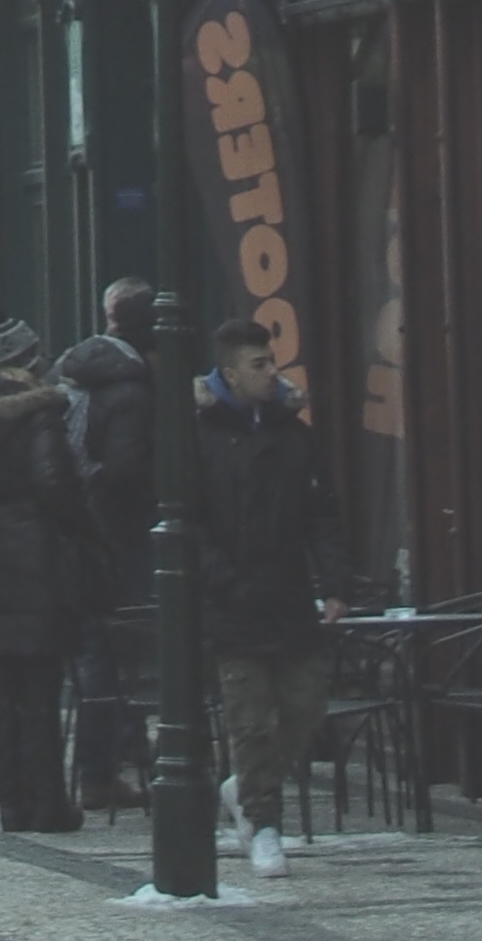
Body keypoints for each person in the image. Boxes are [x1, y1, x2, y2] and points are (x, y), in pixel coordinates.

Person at [197, 318, 347, 879]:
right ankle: (263, 824)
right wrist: (224, 580)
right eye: (258, 364)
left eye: (272, 361)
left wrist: (334, 584)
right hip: (233, 602)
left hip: (288, 594)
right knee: (250, 720)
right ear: (231, 374)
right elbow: (188, 524)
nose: (271, 372)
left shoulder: (293, 434)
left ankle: (245, 784)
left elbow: (321, 513)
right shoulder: (202, 435)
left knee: (306, 705)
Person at [0, 317, 104, 834]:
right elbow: (53, 481)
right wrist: (85, 531)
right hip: (37, 555)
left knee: (3, 685)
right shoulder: (40, 412)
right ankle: (48, 803)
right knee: (41, 687)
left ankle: (10, 802)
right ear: (30, 360)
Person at [57, 282, 157, 803]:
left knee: (98, 652)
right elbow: (125, 471)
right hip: (117, 538)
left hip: (75, 534)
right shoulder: (132, 392)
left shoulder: (79, 375)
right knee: (112, 653)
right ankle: (100, 769)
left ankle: (117, 751)